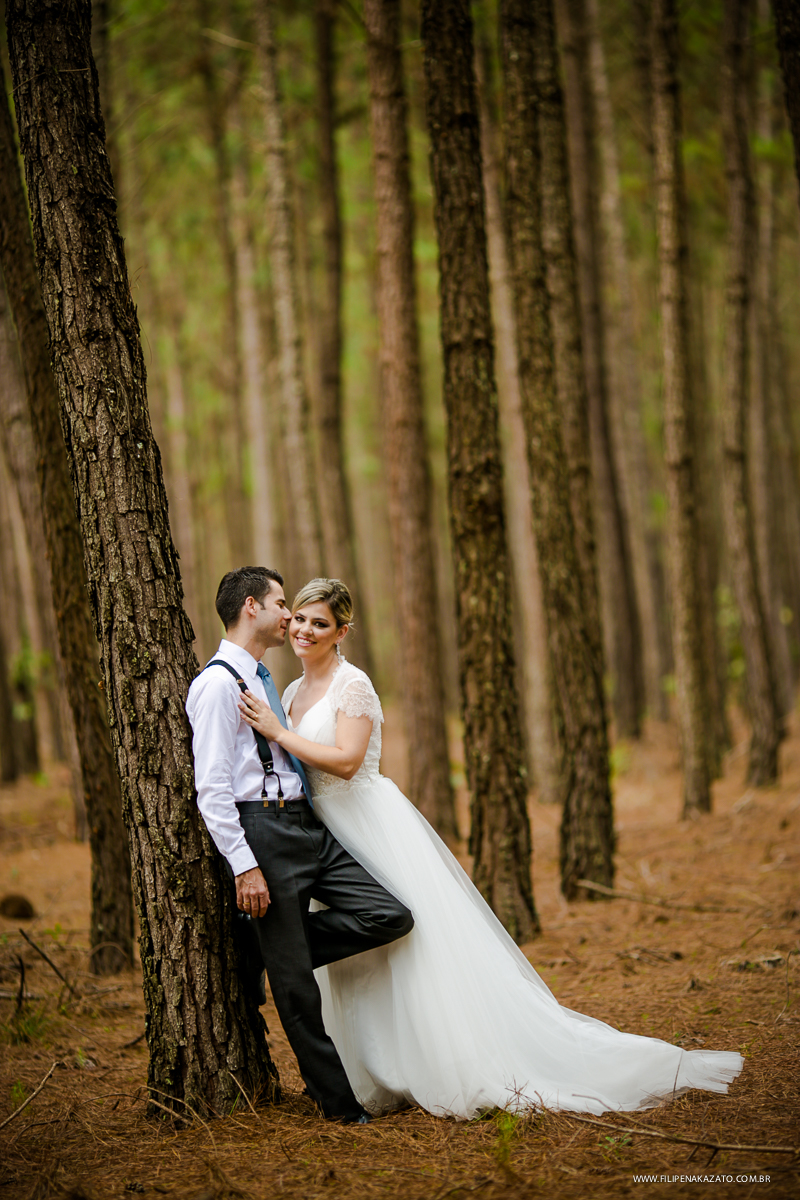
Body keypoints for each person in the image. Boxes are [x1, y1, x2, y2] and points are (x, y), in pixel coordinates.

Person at [238, 577, 745, 1120]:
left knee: (402, 934)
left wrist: (279, 732)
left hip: (367, 822)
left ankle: (440, 1058)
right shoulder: (289, 693)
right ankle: (378, 1065)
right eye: (302, 619)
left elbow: (344, 760)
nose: (307, 630)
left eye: (321, 622)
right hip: (319, 830)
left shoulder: (352, 685)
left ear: (342, 631)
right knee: (360, 962)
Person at [185, 566, 414, 1124]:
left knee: (389, 914)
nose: (290, 617)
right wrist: (244, 867)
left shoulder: (264, 677)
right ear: (250, 607)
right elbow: (212, 789)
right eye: (282, 605)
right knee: (299, 992)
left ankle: (269, 952)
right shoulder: (216, 684)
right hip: (264, 832)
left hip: (310, 825)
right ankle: (341, 1107)